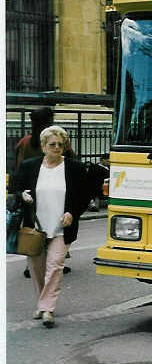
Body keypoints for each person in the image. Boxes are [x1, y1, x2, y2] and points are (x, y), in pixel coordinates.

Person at [11, 126, 90, 328]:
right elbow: (15, 188)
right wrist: (23, 195)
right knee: (36, 268)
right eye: (52, 144)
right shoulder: (30, 166)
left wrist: (72, 212)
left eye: (60, 145)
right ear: (44, 146)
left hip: (62, 228)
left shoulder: (74, 168)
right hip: (35, 228)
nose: (56, 148)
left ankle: (47, 309)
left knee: (54, 266)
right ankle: (41, 303)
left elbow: (84, 196)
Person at [15, 108, 74, 278]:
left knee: (33, 228)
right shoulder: (58, 140)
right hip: (54, 189)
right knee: (57, 229)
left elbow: (18, 165)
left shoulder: (25, 141)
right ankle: (55, 262)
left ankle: (31, 264)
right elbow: (71, 159)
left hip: (31, 191)